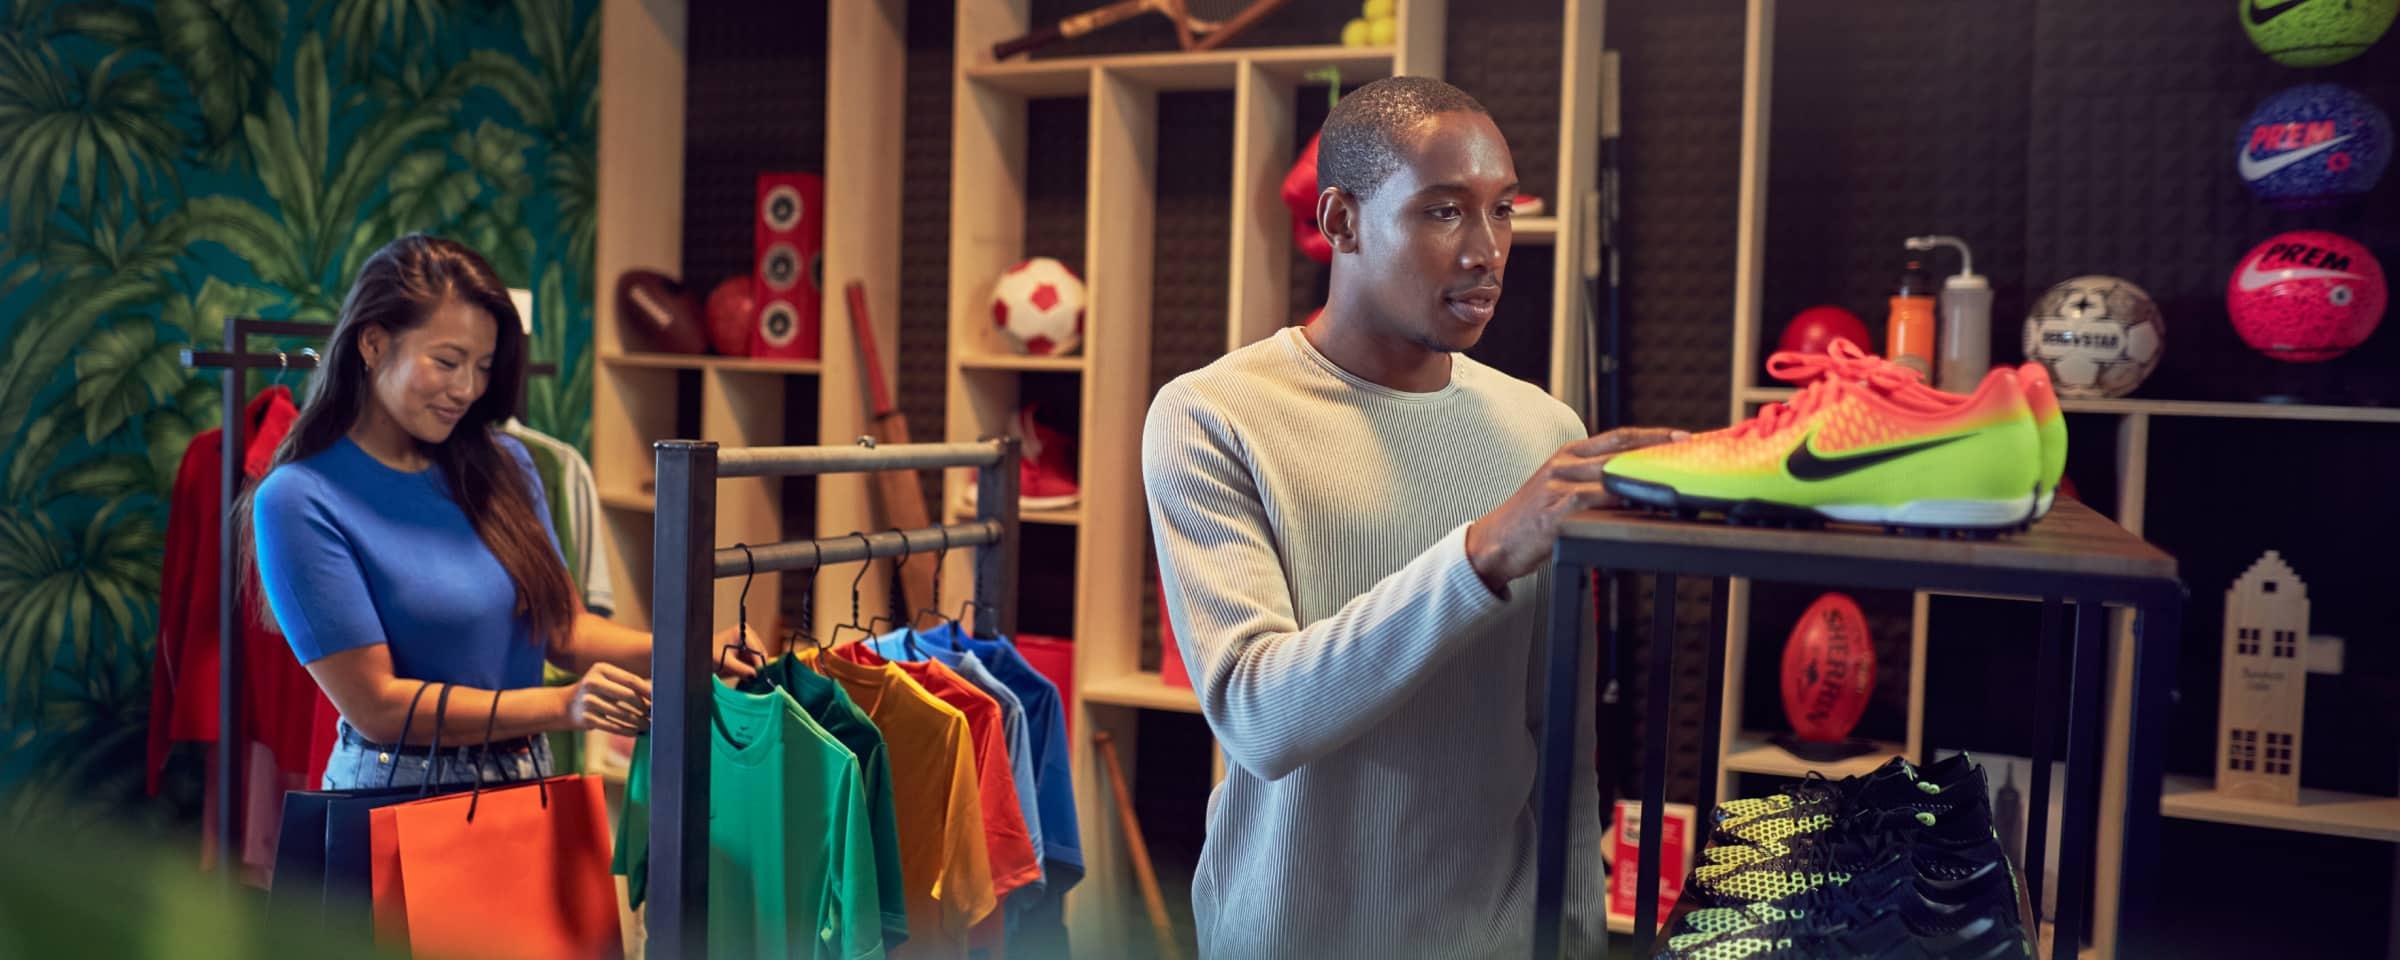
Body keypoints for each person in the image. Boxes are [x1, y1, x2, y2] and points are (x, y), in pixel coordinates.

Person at [1142, 77, 1686, 957]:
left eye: (1502, 210)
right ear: (1342, 221)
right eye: (1443, 213)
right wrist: (1480, 557)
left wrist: (1577, 935)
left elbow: (1565, 741)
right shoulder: (1213, 416)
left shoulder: (1544, 432)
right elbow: (1256, 715)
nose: (1487, 251)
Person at [248, 234, 753, 790]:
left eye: (483, 366)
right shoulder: (300, 498)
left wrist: (688, 652)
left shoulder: (503, 464)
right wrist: (561, 706)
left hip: (525, 782)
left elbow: (564, 629)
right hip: (397, 799)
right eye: (447, 361)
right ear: (372, 343)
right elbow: (378, 706)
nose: (466, 388)